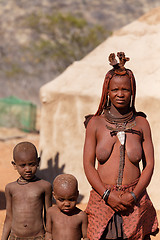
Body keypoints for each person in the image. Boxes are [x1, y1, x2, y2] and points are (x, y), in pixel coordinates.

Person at [83, 52, 159, 240]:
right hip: (103, 200)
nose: (120, 94)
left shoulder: (141, 124)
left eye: (125, 89)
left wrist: (133, 196)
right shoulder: (96, 124)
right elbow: (87, 165)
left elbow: (149, 165)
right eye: (115, 89)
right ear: (107, 91)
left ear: (132, 91)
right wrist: (107, 195)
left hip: (135, 200)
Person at [1, 141, 52, 240]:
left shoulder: (44, 186)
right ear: (14, 165)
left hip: (38, 237)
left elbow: (48, 215)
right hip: (15, 237)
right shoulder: (10, 188)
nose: (28, 169)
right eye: (23, 165)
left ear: (38, 161)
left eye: (32, 164)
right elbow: (9, 217)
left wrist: (49, 235)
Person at [45, 173, 88, 240]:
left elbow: (86, 237)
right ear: (54, 195)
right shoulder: (51, 213)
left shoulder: (81, 216)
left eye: (71, 199)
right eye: (61, 200)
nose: (67, 204)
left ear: (77, 194)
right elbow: (48, 233)